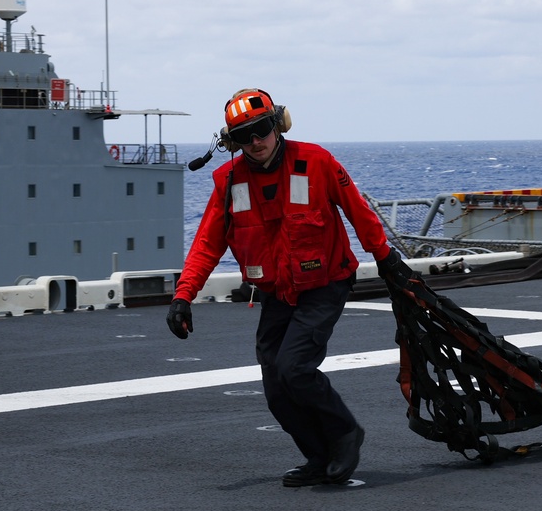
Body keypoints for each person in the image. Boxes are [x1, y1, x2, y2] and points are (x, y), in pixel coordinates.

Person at [166, 88, 403, 487]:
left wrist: (386, 259)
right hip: (277, 291)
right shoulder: (229, 182)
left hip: (326, 281)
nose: (255, 142)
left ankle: (346, 432)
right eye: (244, 136)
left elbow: (357, 211)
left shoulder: (317, 162)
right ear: (232, 142)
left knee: (294, 367)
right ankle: (318, 457)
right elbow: (208, 242)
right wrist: (182, 296)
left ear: (277, 125)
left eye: (261, 130)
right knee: (276, 386)